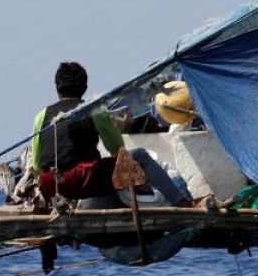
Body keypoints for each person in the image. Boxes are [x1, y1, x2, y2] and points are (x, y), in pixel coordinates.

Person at [30, 61, 191, 206]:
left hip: (51, 183)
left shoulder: (41, 116)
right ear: (84, 88)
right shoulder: (94, 109)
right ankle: (182, 202)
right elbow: (117, 149)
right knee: (140, 156)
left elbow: (37, 165)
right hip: (83, 179)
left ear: (57, 87)